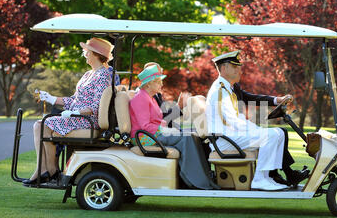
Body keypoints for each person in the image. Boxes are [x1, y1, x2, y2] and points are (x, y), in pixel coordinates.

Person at [206, 50, 309, 191]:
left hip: (230, 135)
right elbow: (232, 121)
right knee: (271, 135)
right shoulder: (220, 90)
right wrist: (257, 130)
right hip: (224, 140)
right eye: (235, 67)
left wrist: (256, 127)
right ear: (224, 68)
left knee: (278, 133)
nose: (240, 71)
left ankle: (269, 177)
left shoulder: (228, 88)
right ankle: (260, 179)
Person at [23, 37, 114, 186]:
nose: (84, 53)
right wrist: (51, 98)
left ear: (95, 54)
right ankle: (45, 169)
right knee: (40, 125)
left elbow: (95, 107)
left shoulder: (103, 76)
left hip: (87, 120)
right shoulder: (88, 74)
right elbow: (74, 100)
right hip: (78, 117)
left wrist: (74, 113)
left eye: (87, 51)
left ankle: (49, 170)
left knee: (43, 124)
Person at [129, 64, 219, 190]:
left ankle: (204, 178)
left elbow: (158, 120)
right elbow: (145, 126)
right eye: (158, 82)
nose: (161, 84)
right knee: (187, 138)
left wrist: (169, 129)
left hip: (155, 134)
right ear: (149, 84)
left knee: (193, 136)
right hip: (146, 137)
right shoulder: (140, 99)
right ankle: (194, 181)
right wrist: (166, 130)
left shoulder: (151, 98)